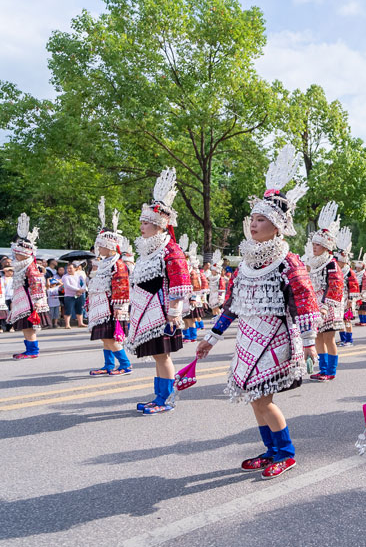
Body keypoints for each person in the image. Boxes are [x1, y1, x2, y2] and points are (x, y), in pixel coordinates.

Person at [197, 144, 320, 479]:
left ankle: (286, 452)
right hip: (249, 339)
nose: (254, 224)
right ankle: (271, 450)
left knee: (264, 399)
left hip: (277, 338)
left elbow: (305, 301)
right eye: (252, 218)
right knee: (254, 399)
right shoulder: (247, 263)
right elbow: (233, 305)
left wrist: (310, 343)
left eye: (262, 219)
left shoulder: (287, 261)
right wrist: (211, 337)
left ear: (278, 225)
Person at [126, 168, 191, 415]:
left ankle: (166, 399)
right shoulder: (147, 250)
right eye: (142, 223)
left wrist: (174, 313)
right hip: (146, 311)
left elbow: (179, 282)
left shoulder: (170, 250)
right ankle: (159, 396)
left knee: (162, 357)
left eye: (146, 223)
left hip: (162, 314)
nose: (142, 227)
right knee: (157, 356)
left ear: (158, 226)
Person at [87, 197, 133, 376]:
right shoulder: (105, 262)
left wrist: (119, 308)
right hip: (101, 306)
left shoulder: (118, 263)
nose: (98, 248)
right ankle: (108, 364)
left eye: (100, 245)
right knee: (104, 338)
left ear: (109, 245)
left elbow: (121, 287)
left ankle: (125, 364)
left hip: (111, 307)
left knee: (111, 338)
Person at [306, 201, 345, 381]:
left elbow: (336, 286)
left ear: (327, 247)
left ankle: (331, 371)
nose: (314, 248)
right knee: (318, 338)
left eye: (318, 245)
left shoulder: (331, 264)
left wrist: (326, 306)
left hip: (329, 306)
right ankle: (322, 369)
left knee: (329, 338)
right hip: (315, 304)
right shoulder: (312, 263)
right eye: (313, 244)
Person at [9, 213, 50, 359]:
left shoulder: (31, 267)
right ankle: (30, 350)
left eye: (18, 254)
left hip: (30, 302)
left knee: (28, 326)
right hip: (23, 301)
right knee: (25, 326)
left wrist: (37, 301)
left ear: (25, 254)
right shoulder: (22, 266)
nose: (16, 256)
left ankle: (33, 351)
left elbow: (37, 283)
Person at [334, 228, 360, 347]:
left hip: (347, 299)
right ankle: (343, 339)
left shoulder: (349, 272)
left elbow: (354, 286)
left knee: (347, 320)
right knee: (339, 321)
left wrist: (351, 300)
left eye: (338, 261)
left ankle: (349, 340)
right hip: (338, 298)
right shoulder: (336, 270)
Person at [62, 262, 86, 328]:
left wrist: (82, 290)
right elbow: (67, 285)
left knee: (80, 309)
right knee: (68, 310)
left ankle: (80, 323)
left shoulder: (79, 276)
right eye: (68, 268)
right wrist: (78, 289)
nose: (69, 270)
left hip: (79, 295)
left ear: (75, 269)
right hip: (69, 296)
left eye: (71, 268)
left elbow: (84, 283)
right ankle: (67, 324)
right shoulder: (65, 276)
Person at [354, 253, 366, 327]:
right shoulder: (355, 274)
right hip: (357, 293)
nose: (357, 269)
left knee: (363, 309)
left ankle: (365, 321)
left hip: (363, 293)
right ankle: (361, 320)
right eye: (357, 267)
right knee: (359, 309)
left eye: (359, 268)